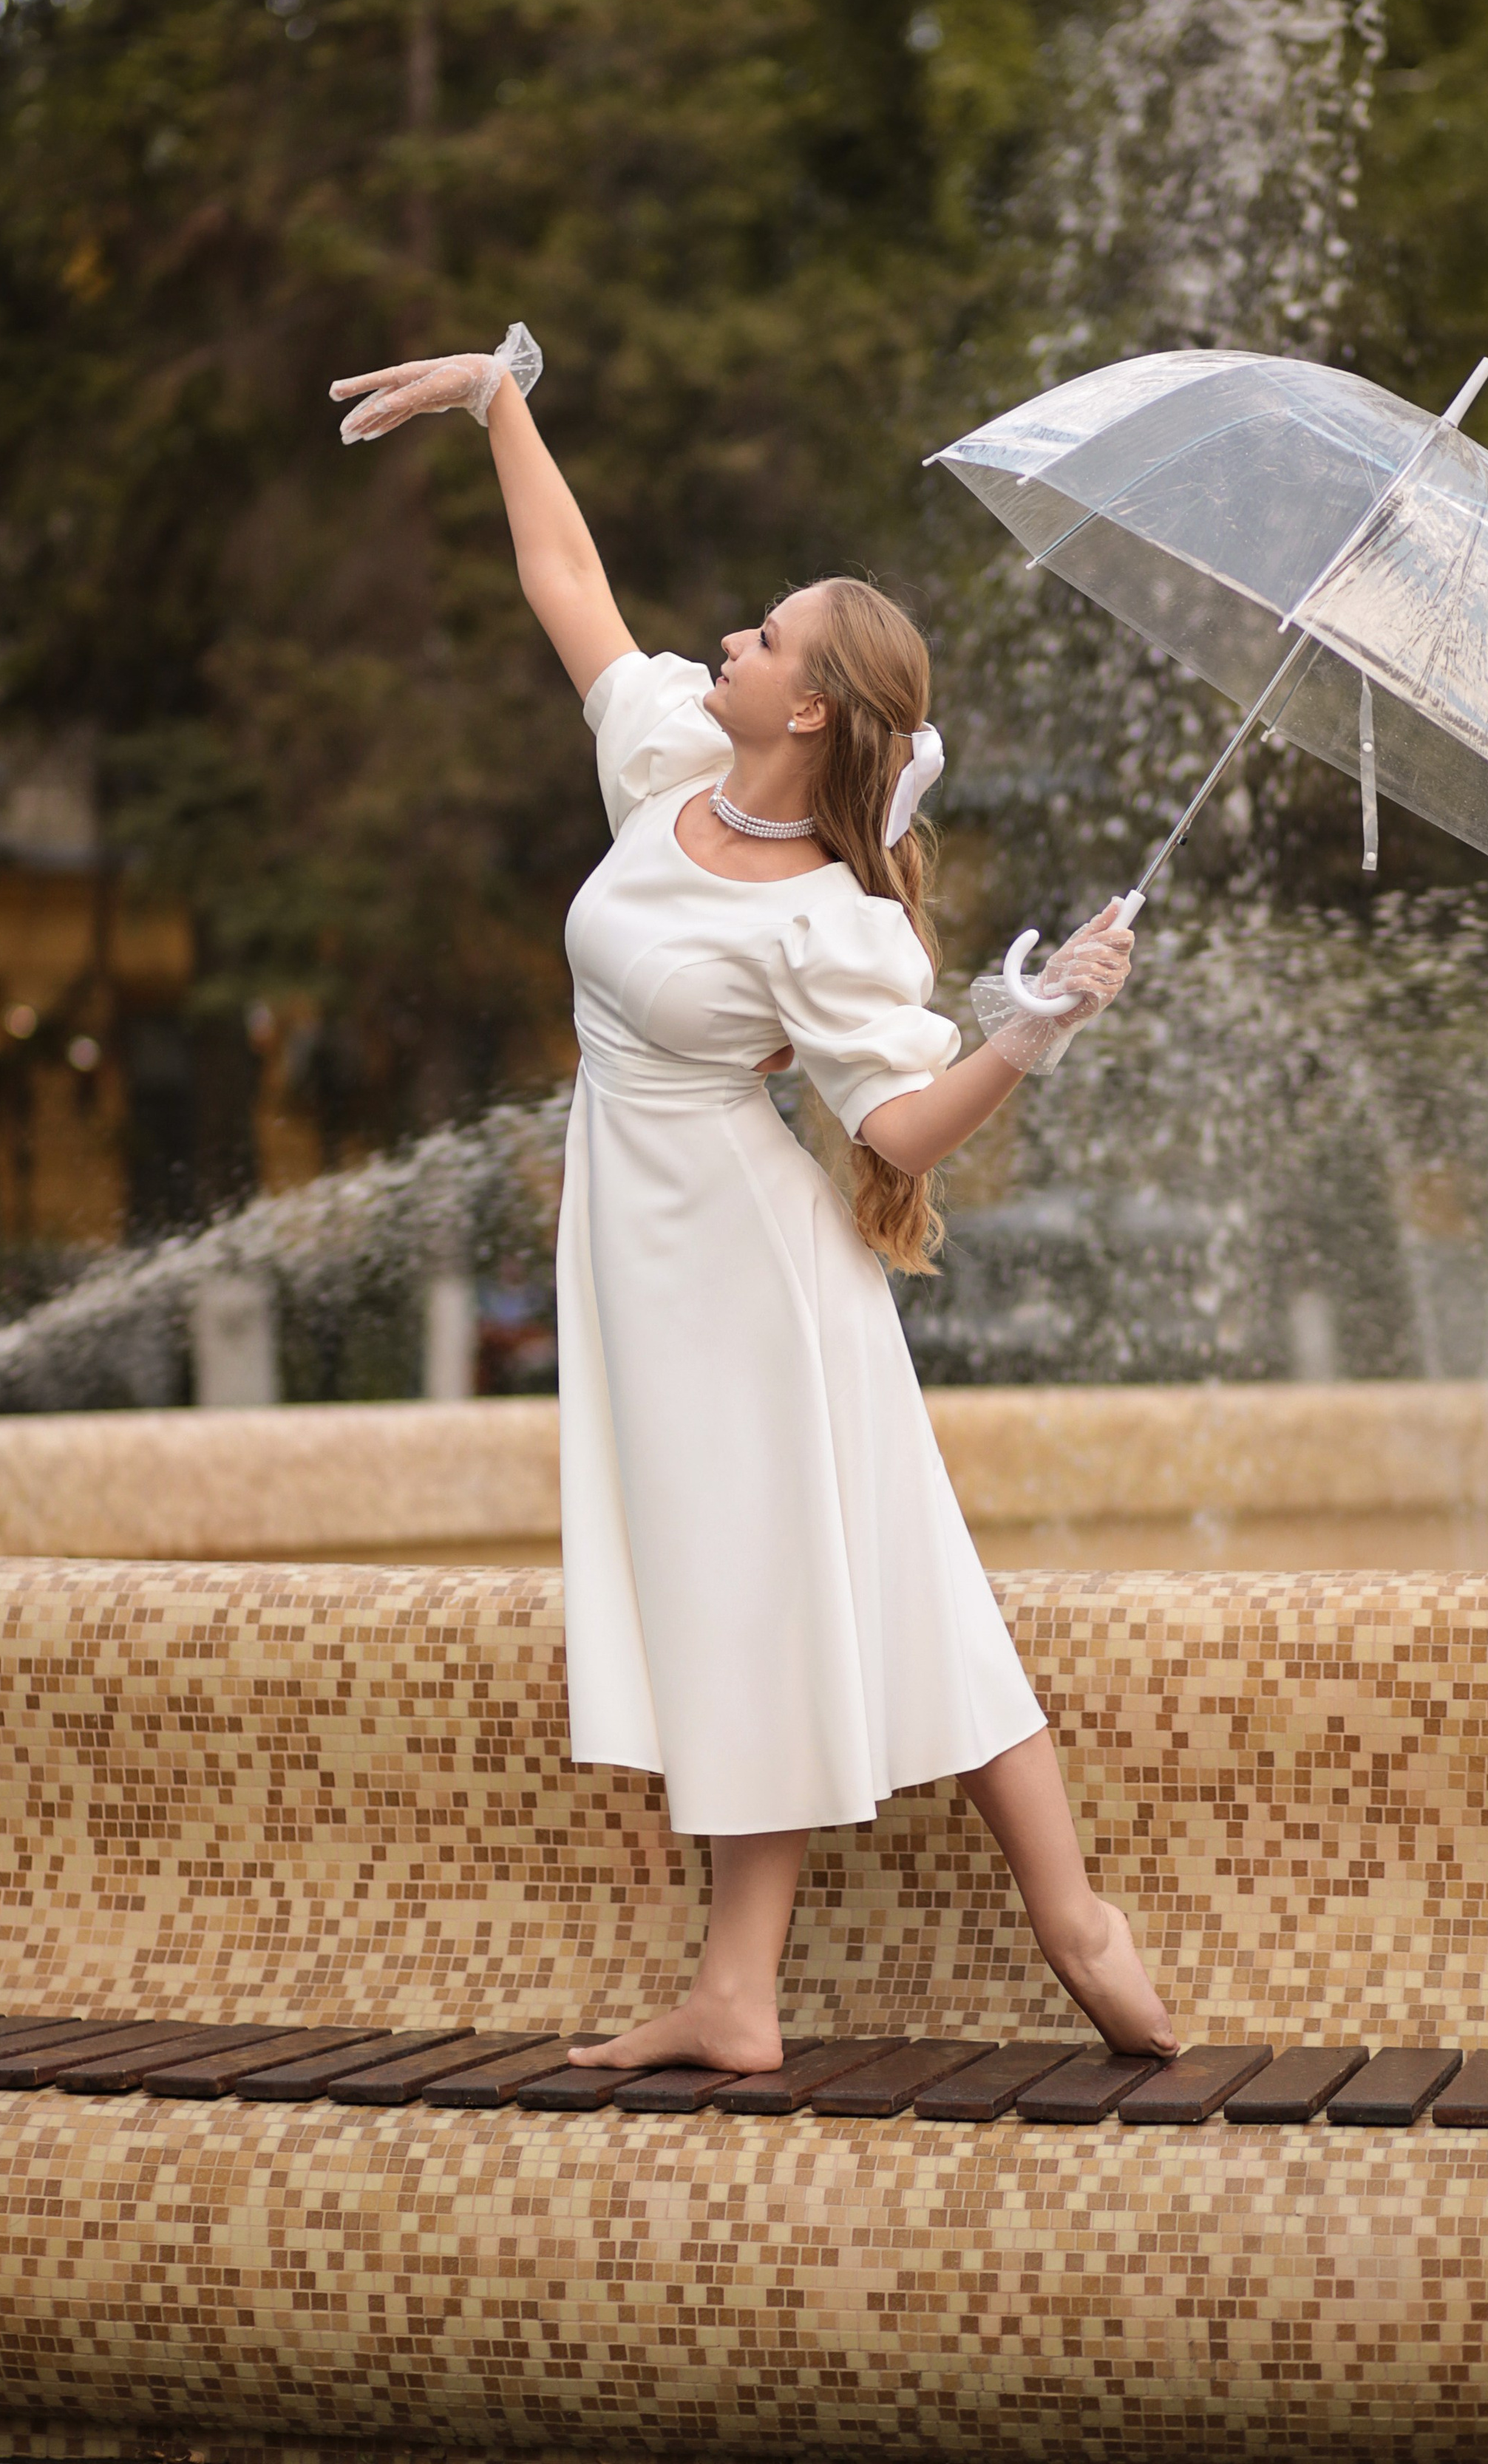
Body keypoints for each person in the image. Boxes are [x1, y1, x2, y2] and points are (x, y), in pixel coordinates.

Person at [330, 328, 1177, 2068]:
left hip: (747, 1267)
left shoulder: (831, 920)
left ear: (809, 707)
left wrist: (1032, 1022)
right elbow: (565, 578)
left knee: (863, 1574)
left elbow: (900, 1130)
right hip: (648, 1252)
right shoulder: (663, 770)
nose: (726, 635)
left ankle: (1070, 1918)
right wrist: (500, 403)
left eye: (766, 633)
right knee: (753, 1583)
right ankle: (737, 1987)